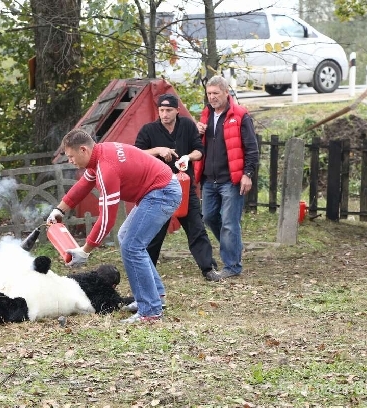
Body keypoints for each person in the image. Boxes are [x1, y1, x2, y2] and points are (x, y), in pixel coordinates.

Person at [46, 129, 182, 323]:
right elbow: (83, 185)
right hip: (157, 191)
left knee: (132, 246)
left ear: (83, 149)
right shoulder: (99, 155)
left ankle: (151, 311)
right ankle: (155, 297)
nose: (70, 161)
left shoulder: (106, 169)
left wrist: (85, 250)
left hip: (162, 192)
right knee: (126, 237)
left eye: (71, 156)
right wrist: (59, 210)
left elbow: (106, 220)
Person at [132, 93, 220, 289]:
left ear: (176, 110)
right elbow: (136, 153)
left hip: (184, 186)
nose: (164, 114)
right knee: (155, 233)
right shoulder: (149, 130)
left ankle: (208, 268)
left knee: (196, 226)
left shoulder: (187, 126)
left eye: (168, 110)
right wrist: (157, 150)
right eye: (161, 110)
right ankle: (147, 270)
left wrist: (188, 157)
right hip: (158, 189)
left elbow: (199, 150)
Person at [195, 75, 259, 279]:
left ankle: (232, 266)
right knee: (209, 217)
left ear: (226, 93)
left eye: (215, 93)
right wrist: (198, 132)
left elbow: (252, 148)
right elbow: (198, 147)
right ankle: (232, 247)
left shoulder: (240, 115)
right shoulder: (205, 115)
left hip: (231, 179)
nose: (212, 97)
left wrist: (248, 174)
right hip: (209, 178)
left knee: (230, 223)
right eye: (209, 94)